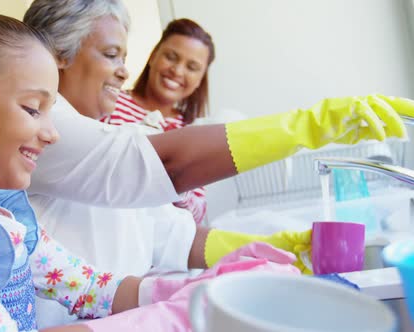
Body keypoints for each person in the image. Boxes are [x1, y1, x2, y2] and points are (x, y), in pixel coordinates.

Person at [0, 8, 241, 331]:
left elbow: (90, 287)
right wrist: (166, 317)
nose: (51, 134)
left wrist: (195, 291)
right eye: (33, 109)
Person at [23, 0, 413, 327]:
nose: (124, 70)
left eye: (125, 57)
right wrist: (309, 127)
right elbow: (157, 165)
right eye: (111, 55)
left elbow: (176, 237)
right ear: (57, 55)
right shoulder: (43, 122)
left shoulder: (96, 133)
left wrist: (275, 248)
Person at [100, 18, 215, 224]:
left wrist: (175, 182)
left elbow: (197, 214)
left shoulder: (194, 134)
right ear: (153, 56)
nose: (178, 71)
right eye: (171, 57)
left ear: (200, 79)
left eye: (192, 67)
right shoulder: (110, 101)